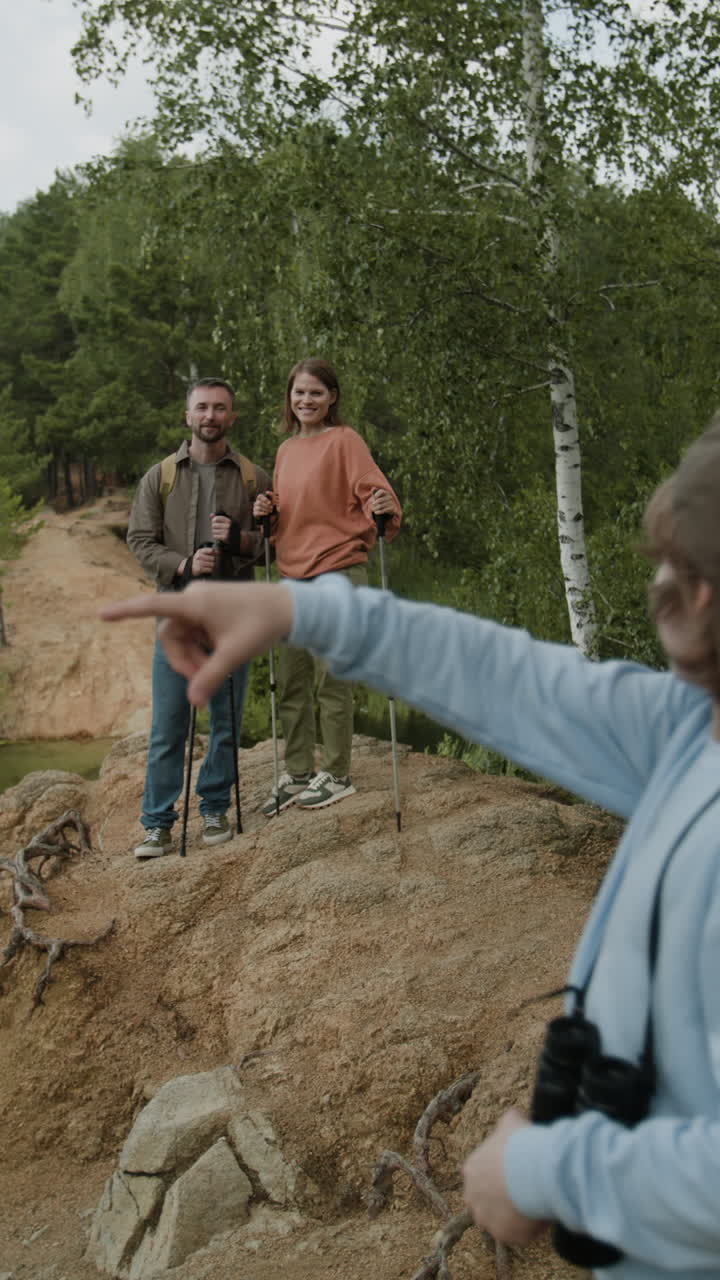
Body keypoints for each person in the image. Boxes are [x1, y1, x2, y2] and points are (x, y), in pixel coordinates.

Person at [102, 419, 720, 1277]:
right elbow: (508, 678)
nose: (662, 588)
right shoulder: (690, 729)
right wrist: (292, 608)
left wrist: (549, 1175)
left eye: (690, 569)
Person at [126, 376, 271, 858]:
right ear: (188, 416)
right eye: (202, 408)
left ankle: (213, 806)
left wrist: (236, 541)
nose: (210, 416)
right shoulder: (160, 476)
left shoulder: (254, 477)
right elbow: (140, 542)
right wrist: (184, 564)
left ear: (232, 416)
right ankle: (157, 823)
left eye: (220, 408)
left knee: (226, 721)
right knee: (170, 723)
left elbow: (272, 546)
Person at [252, 357, 401, 815]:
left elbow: (377, 493)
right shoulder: (285, 451)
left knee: (332, 680)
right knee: (293, 681)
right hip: (292, 573)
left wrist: (382, 504)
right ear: (289, 398)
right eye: (299, 393)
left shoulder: (345, 441)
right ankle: (298, 771)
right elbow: (289, 513)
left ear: (332, 397)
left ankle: (336, 774)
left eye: (316, 393)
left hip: (338, 568)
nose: (306, 401)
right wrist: (267, 512)